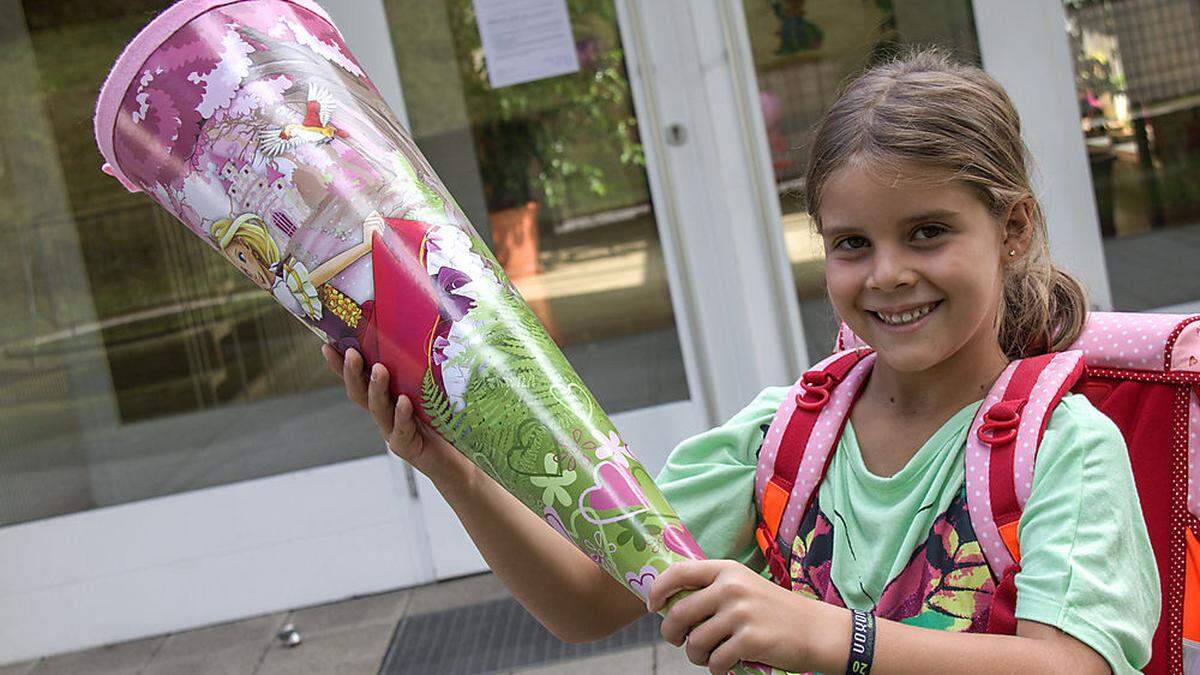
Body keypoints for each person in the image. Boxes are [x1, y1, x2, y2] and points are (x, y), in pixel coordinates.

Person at [321, 50, 1159, 674]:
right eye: (852, 244)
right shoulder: (787, 437)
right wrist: (453, 469)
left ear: (1012, 229)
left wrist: (830, 634)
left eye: (928, 232)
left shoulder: (1065, 449)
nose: (888, 272)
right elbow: (587, 599)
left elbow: (1070, 664)